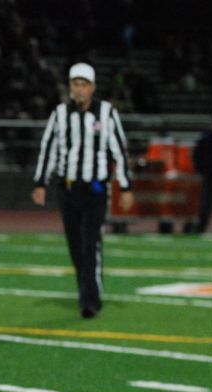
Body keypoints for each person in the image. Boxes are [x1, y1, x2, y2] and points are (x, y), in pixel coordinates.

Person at [32, 62, 134, 319]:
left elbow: (119, 149)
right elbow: (49, 148)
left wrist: (126, 184)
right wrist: (41, 182)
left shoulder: (107, 113)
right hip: (67, 188)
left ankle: (91, 300)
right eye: (75, 84)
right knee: (76, 245)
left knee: (92, 244)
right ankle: (86, 290)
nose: (79, 90)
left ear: (92, 88)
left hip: (96, 188)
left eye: (83, 85)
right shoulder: (60, 114)